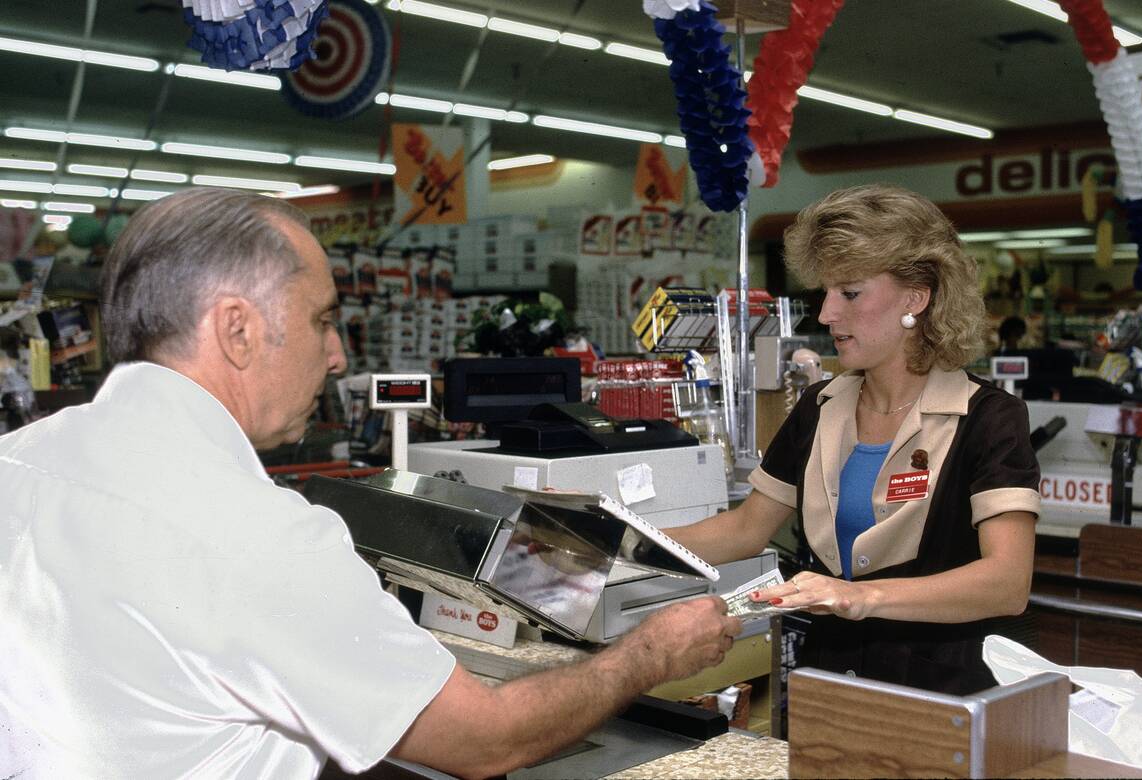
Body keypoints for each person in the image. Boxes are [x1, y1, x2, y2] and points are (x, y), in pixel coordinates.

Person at [0, 188, 742, 780]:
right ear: (237, 330)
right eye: (322, 319)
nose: (334, 355)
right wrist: (648, 654)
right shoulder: (256, 531)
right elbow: (485, 743)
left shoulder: (18, 458)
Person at [666, 184, 1040, 695]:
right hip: (823, 686)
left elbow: (1007, 583)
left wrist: (859, 597)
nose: (825, 314)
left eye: (851, 292)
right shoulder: (819, 409)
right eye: (825, 292)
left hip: (940, 699)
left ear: (916, 297)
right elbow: (745, 529)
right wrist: (619, 538)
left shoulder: (988, 419)